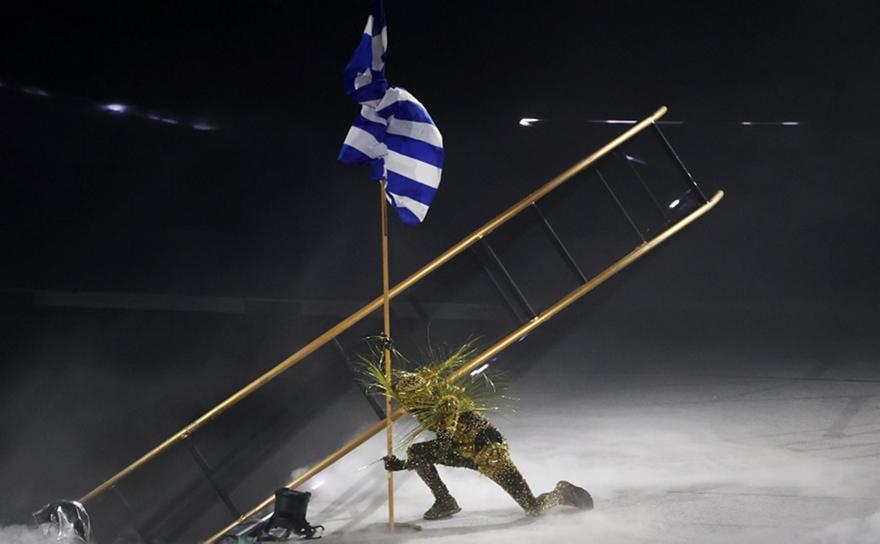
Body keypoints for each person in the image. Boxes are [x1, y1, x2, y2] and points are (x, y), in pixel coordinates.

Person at [361, 341, 593, 520]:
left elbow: (441, 450)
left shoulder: (446, 406)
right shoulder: (421, 400)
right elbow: (390, 381)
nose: (408, 407)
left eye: (410, 403)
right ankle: (445, 501)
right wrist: (386, 351)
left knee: (533, 508)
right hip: (463, 450)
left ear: (421, 399)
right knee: (418, 452)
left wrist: (401, 465)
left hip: (489, 453)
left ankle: (562, 493)